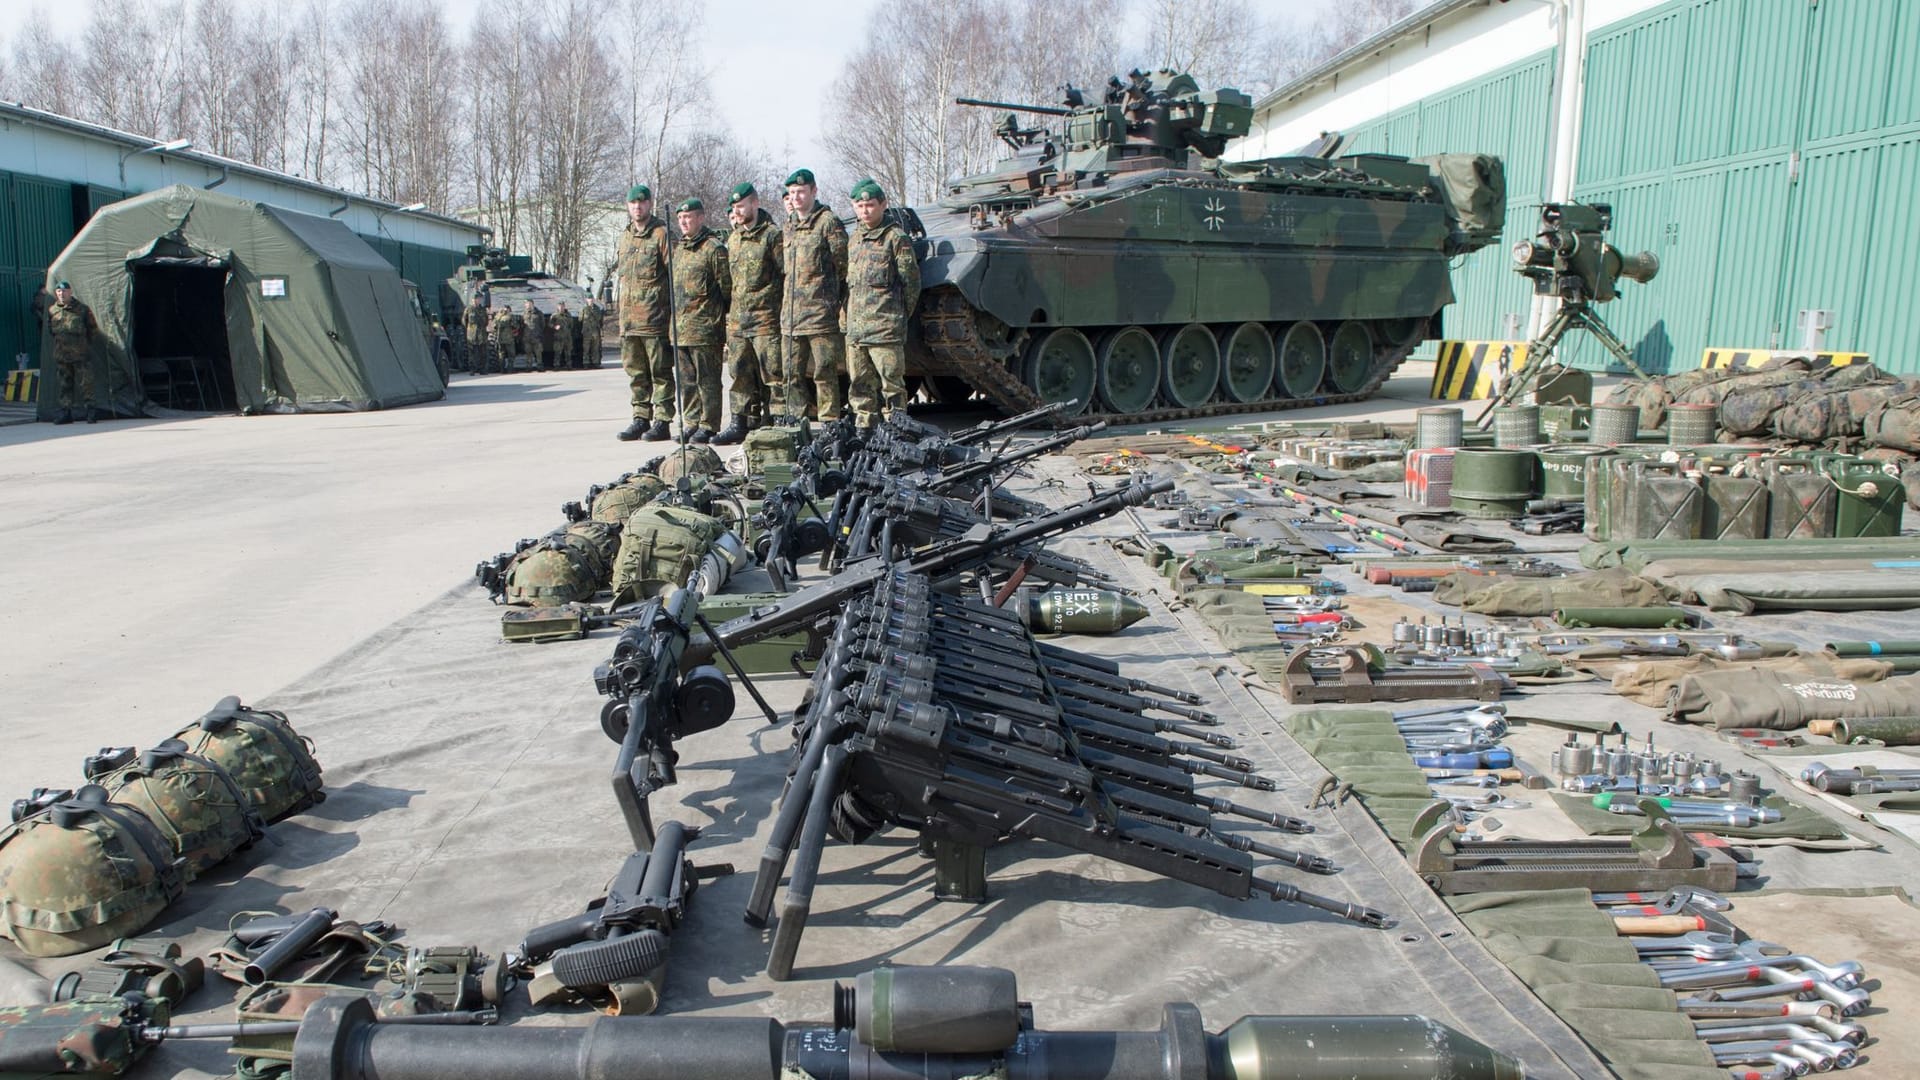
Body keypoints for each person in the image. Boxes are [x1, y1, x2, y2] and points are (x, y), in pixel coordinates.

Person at [844, 178, 920, 430]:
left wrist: (897, 316)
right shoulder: (854, 239)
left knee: (892, 385)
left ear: (883, 205)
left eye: (870, 205)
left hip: (885, 327)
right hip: (856, 330)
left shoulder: (895, 238)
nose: (865, 211)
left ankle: (898, 429)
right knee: (860, 386)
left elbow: (911, 283)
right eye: (860, 205)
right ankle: (865, 429)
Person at [716, 182, 783, 444]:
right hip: (738, 322)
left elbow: (784, 274)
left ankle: (777, 422)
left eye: (742, 205)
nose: (738, 211)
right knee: (739, 374)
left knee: (773, 375)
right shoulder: (733, 239)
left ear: (754, 203)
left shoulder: (772, 235)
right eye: (734, 207)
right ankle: (739, 422)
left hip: (766, 318)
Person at [779, 168, 848, 423]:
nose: (796, 197)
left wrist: (834, 303)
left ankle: (830, 421)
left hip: (820, 315)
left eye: (801, 192)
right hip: (792, 317)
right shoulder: (789, 226)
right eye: (792, 193)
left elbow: (843, 266)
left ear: (813, 191)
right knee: (790, 374)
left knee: (824, 372)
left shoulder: (828, 222)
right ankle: (796, 421)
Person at [614, 184, 675, 441]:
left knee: (660, 373)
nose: (637, 207)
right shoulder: (625, 237)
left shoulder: (661, 235)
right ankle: (640, 417)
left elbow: (674, 276)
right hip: (629, 323)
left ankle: (662, 420)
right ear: (628, 207)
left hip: (654, 320)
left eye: (641, 202)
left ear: (650, 204)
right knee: (636, 374)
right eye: (632, 203)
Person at [669, 197, 729, 444]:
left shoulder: (713, 249)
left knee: (708, 381)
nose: (684, 222)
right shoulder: (679, 250)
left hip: (705, 330)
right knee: (687, 382)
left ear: (701, 218)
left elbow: (727, 289)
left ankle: (709, 424)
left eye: (689, 217)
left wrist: (716, 319)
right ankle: (692, 422)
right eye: (681, 218)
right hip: (681, 329)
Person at [46, 280, 99, 425]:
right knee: (64, 385)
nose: (61, 294)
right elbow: (51, 330)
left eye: (64, 291)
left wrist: (83, 345)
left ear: (70, 292)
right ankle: (66, 412)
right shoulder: (52, 311)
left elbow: (93, 330)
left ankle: (91, 411)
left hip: (80, 355)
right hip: (62, 355)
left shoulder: (82, 309)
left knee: (86, 383)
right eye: (58, 292)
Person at [462, 291, 490, 373]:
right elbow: (464, 320)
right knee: (472, 353)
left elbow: (486, 321)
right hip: (472, 334)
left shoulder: (483, 309)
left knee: (483, 352)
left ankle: (482, 369)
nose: (476, 300)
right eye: (475, 299)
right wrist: (470, 329)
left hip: (481, 334)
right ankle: (472, 369)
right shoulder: (469, 309)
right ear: (472, 300)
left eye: (478, 299)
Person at [551, 301, 578, 370]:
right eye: (560, 306)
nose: (561, 307)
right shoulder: (554, 315)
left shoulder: (568, 315)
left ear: (564, 306)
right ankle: (556, 365)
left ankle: (569, 365)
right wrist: (555, 326)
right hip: (558, 336)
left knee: (568, 352)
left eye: (562, 306)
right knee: (557, 352)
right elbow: (550, 324)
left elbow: (571, 325)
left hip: (567, 336)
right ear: (557, 307)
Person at [489, 306, 516, 372]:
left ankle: (502, 369)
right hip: (509, 339)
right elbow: (515, 325)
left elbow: (494, 327)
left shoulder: (497, 317)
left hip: (500, 339)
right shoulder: (510, 317)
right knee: (511, 354)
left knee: (501, 354)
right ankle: (510, 369)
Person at [579, 296, 604, 367]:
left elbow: (599, 318)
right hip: (586, 331)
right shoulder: (584, 309)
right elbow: (580, 319)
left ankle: (595, 362)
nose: (590, 300)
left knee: (595, 348)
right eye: (589, 299)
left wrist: (592, 310)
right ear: (586, 300)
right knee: (586, 348)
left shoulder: (597, 309)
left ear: (593, 300)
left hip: (595, 331)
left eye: (591, 299)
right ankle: (586, 363)